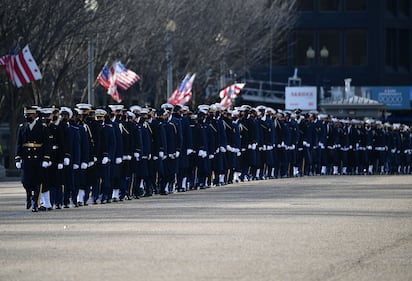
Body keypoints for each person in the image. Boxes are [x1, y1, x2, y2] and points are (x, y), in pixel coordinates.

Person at [15, 106, 51, 212]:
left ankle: (36, 202)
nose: (27, 117)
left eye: (29, 115)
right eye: (26, 115)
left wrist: (46, 158)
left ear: (35, 115)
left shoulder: (42, 127)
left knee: (37, 182)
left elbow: (47, 144)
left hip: (38, 158)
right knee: (26, 181)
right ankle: (28, 196)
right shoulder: (22, 127)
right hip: (26, 158)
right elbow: (19, 144)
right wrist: (18, 158)